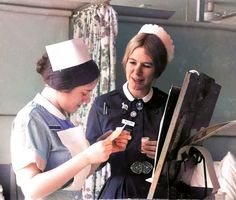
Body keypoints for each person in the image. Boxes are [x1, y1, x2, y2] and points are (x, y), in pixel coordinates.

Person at [10, 38, 131, 200]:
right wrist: (86, 156)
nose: (87, 100)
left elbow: (74, 178)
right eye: (84, 92)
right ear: (64, 86)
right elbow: (32, 189)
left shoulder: (63, 119)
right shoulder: (32, 119)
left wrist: (103, 148)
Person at [85, 24, 175, 199]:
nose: (137, 72)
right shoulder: (103, 104)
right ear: (125, 62)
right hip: (118, 192)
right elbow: (88, 163)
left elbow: (186, 158)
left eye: (147, 65)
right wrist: (105, 148)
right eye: (132, 62)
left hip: (160, 193)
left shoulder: (169, 105)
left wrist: (166, 153)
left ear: (158, 69)